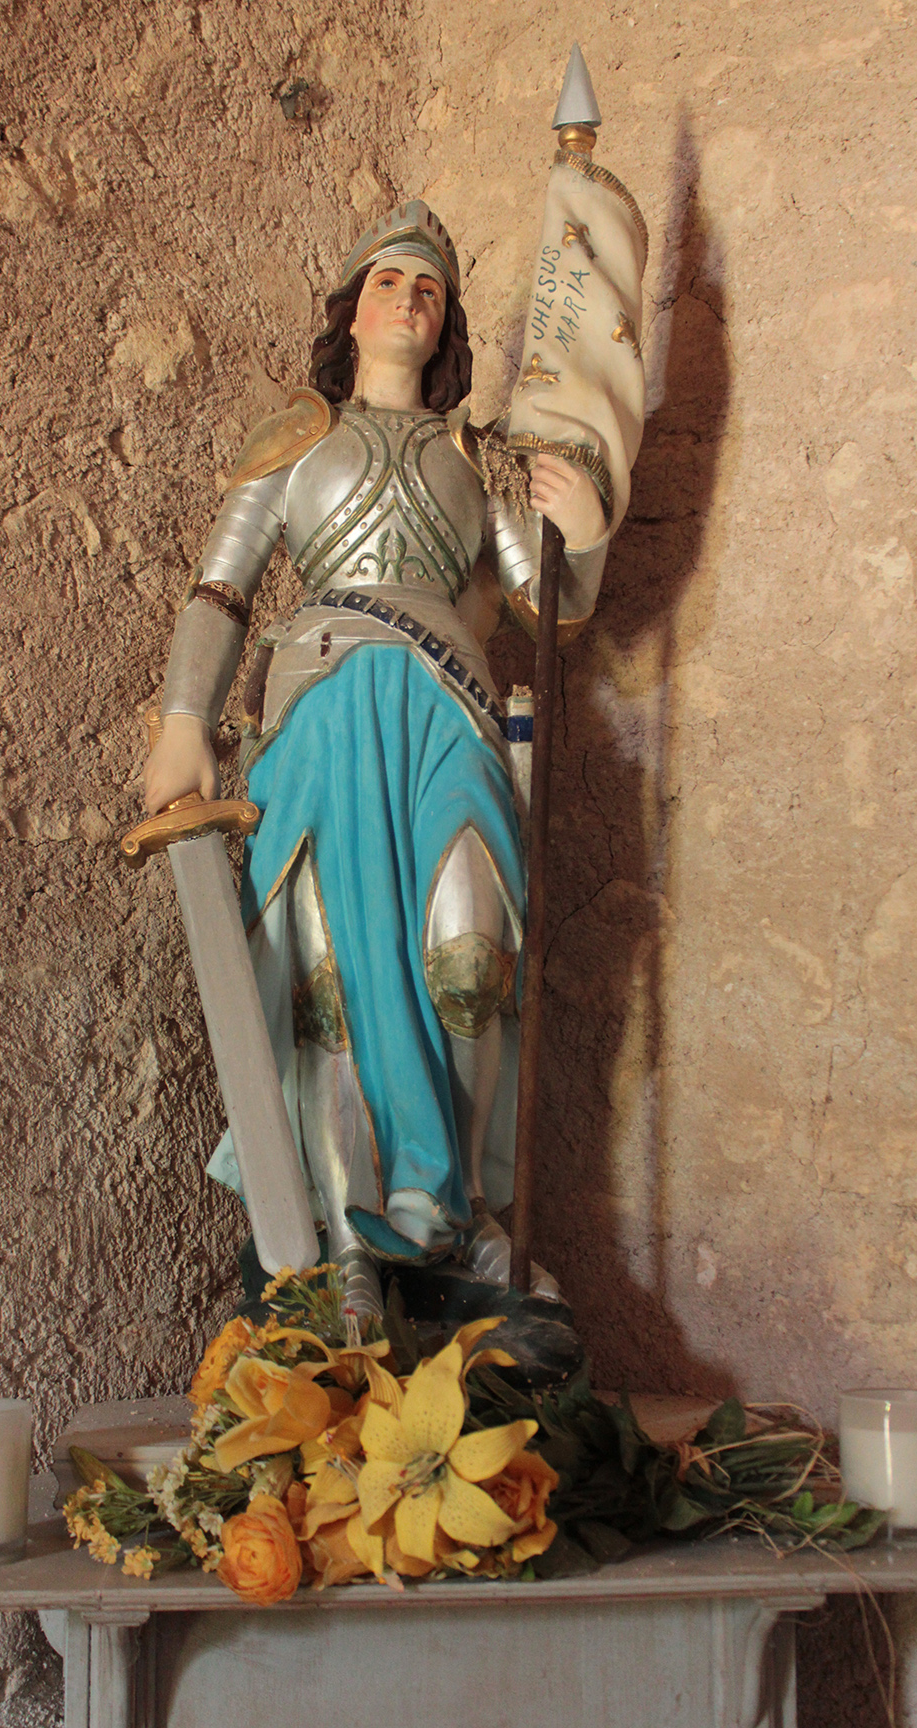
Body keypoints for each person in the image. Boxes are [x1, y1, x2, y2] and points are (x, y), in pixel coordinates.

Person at [144, 201, 609, 1319]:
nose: (410, 299)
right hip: (326, 706)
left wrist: (583, 526)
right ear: (352, 313)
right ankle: (350, 1230)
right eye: (390, 282)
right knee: (334, 974)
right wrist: (181, 720)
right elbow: (222, 588)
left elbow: (549, 603)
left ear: (445, 325)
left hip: (452, 711)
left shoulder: (476, 458)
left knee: (470, 949)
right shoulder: (298, 438)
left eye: (430, 288)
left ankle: (458, 1219)